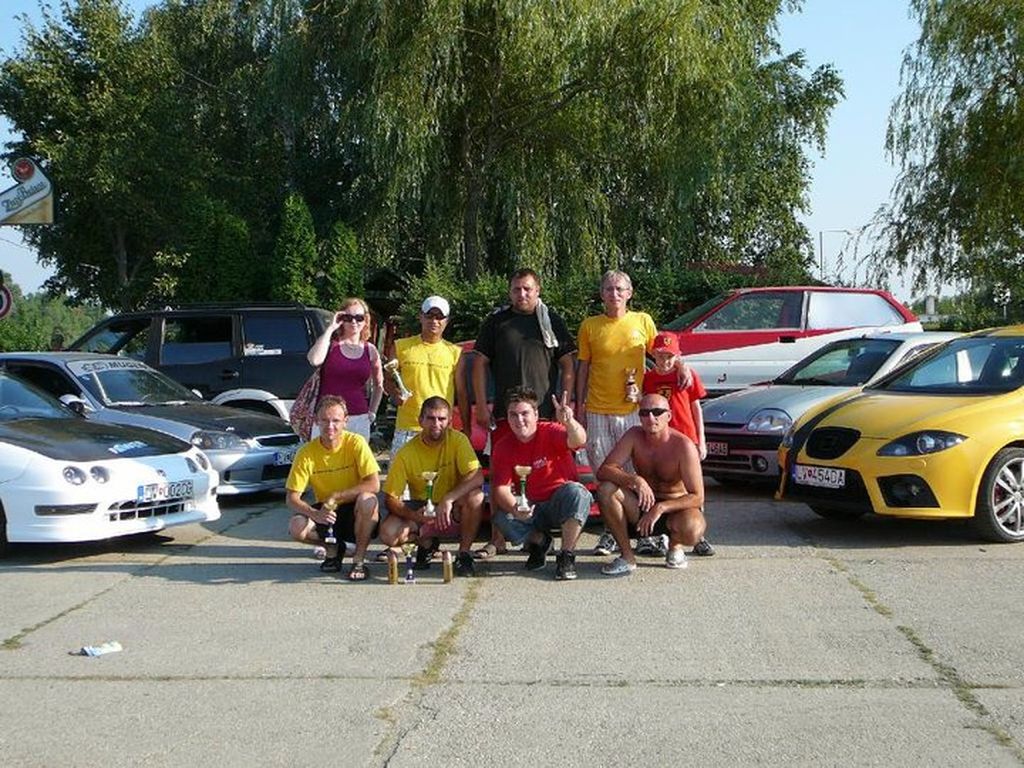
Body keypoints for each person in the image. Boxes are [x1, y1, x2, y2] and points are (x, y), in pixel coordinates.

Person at [472, 268, 576, 559]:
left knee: (549, 475)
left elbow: (568, 364)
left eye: (527, 289)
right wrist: (481, 405)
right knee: (500, 476)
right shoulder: (496, 322)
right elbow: (479, 364)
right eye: (516, 289)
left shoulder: (551, 320)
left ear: (538, 290)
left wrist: (565, 402)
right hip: (507, 415)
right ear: (510, 291)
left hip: (544, 415)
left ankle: (548, 531)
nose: (522, 294)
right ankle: (498, 540)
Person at [575, 269, 657, 556]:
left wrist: (681, 368)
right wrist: (579, 407)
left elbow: (662, 356)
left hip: (633, 411)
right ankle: (611, 532)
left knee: (635, 473)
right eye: (609, 289)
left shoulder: (643, 321)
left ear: (629, 293)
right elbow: (583, 368)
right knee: (604, 476)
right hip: (597, 410)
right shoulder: (590, 326)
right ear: (601, 294)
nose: (614, 294)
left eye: (619, 289)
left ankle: (645, 534)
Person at [595, 393, 709, 575]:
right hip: (642, 504)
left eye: (657, 412)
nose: (650, 418)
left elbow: (697, 497)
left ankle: (675, 546)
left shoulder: (683, 446)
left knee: (692, 530)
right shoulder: (633, 436)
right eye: (644, 413)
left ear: (669, 416)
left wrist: (661, 508)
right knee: (606, 489)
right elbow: (604, 470)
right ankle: (627, 556)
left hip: (674, 509)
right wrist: (634, 480)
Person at [490, 386, 590, 580]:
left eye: (524, 414)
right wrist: (515, 508)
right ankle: (541, 542)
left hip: (560, 502)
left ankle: (566, 555)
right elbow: (501, 489)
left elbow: (579, 440)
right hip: (531, 508)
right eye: (513, 415)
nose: (519, 420)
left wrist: (569, 422)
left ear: (536, 414)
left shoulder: (551, 431)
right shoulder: (503, 446)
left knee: (578, 493)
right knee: (502, 518)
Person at [379, 396, 484, 577]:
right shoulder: (406, 453)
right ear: (420, 420)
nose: (436, 424)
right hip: (422, 509)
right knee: (388, 533)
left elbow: (477, 476)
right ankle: (426, 544)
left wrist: (449, 498)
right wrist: (415, 516)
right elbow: (390, 498)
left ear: (449, 421)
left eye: (441, 419)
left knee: (476, 496)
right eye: (430, 418)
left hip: (453, 509)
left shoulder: (459, 440)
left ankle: (464, 554)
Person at [285, 395, 381, 581]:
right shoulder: (306, 452)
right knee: (296, 526)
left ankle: (359, 560)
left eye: (336, 421)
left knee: (368, 500)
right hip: (326, 511)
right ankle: (334, 548)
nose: (330, 426)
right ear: (316, 421)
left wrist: (338, 496)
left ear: (345, 421)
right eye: (325, 420)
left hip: (354, 508)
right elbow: (291, 498)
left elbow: (374, 484)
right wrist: (315, 514)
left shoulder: (356, 443)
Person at [642, 332, 714, 556]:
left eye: (670, 357)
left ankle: (698, 535)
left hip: (686, 437)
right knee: (665, 485)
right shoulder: (648, 378)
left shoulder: (687, 375)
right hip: (663, 441)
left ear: (678, 356)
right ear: (653, 355)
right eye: (660, 356)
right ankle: (664, 534)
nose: (665, 361)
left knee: (693, 487)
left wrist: (701, 440)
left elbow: (696, 407)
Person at [385, 296, 467, 454]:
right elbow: (387, 379)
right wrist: (395, 395)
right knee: (400, 471)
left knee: (441, 472)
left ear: (447, 320)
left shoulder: (455, 353)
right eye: (429, 315)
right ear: (421, 317)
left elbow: (462, 394)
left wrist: (466, 428)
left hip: (440, 429)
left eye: (439, 317)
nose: (434, 321)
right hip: (407, 428)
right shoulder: (400, 346)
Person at [307, 297, 384, 441]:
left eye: (359, 318)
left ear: (365, 320)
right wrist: (331, 328)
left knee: (356, 456)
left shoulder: (370, 350)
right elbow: (314, 360)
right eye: (348, 318)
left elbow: (379, 385)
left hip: (359, 418)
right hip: (327, 419)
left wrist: (372, 413)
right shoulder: (330, 344)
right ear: (341, 319)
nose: (354, 322)